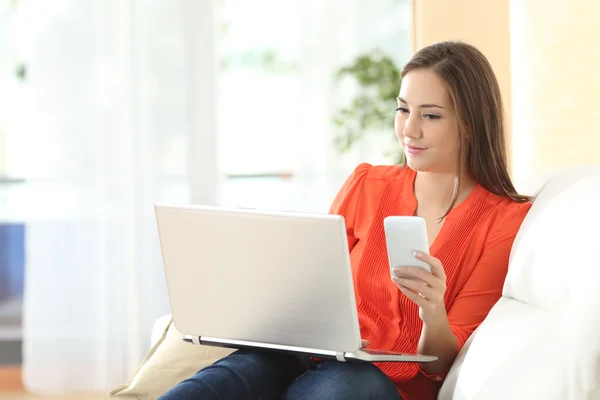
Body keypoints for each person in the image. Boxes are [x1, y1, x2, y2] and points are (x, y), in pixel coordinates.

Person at [158, 40, 532, 400]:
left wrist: (432, 312)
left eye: (430, 115)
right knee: (232, 376)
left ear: (470, 124)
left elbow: (442, 363)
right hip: (308, 356)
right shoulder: (368, 183)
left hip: (382, 384)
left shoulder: (504, 221)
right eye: (403, 109)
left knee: (348, 386)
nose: (409, 130)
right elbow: (312, 282)